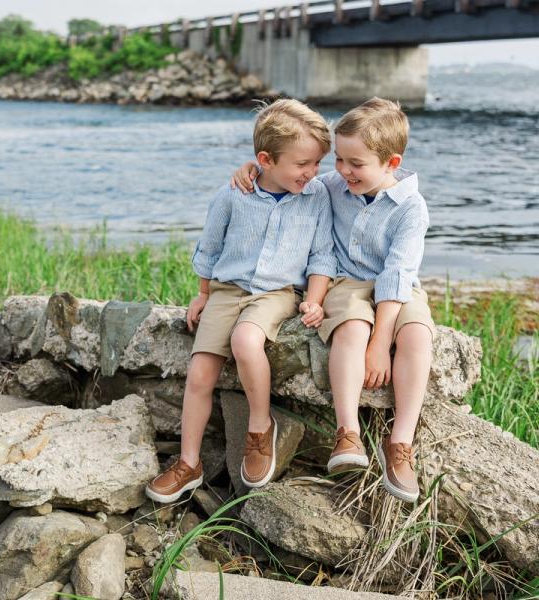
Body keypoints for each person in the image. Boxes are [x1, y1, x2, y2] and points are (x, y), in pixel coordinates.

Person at [230, 98, 435, 502]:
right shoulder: (332, 186)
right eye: (339, 159)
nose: (342, 170)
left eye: (355, 163)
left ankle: (400, 444)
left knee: (417, 337)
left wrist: (382, 345)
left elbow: (396, 276)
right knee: (352, 326)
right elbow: (286, 175)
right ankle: (348, 433)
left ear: (391, 163)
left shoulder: (411, 208)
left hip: (398, 288)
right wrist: (250, 169)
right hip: (347, 283)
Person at [145, 99, 336, 503]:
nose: (312, 172)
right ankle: (189, 462)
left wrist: (315, 298)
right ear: (264, 159)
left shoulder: (317, 195)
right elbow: (209, 248)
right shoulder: (233, 194)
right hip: (227, 290)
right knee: (199, 375)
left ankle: (259, 428)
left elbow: (322, 255)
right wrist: (202, 294)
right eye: (303, 163)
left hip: (276, 293)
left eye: (317, 163)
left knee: (246, 342)